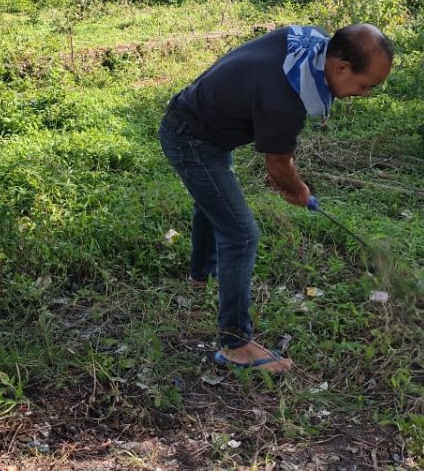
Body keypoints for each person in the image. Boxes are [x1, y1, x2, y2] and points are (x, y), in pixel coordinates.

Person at [158, 24, 393, 372]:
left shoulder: (310, 45)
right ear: (341, 67)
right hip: (190, 138)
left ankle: (200, 277)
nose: (365, 94)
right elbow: (278, 166)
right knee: (241, 234)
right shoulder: (285, 98)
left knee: (213, 203)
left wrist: (290, 180)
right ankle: (235, 345)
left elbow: (280, 151)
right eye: (365, 85)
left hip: (200, 122)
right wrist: (298, 189)